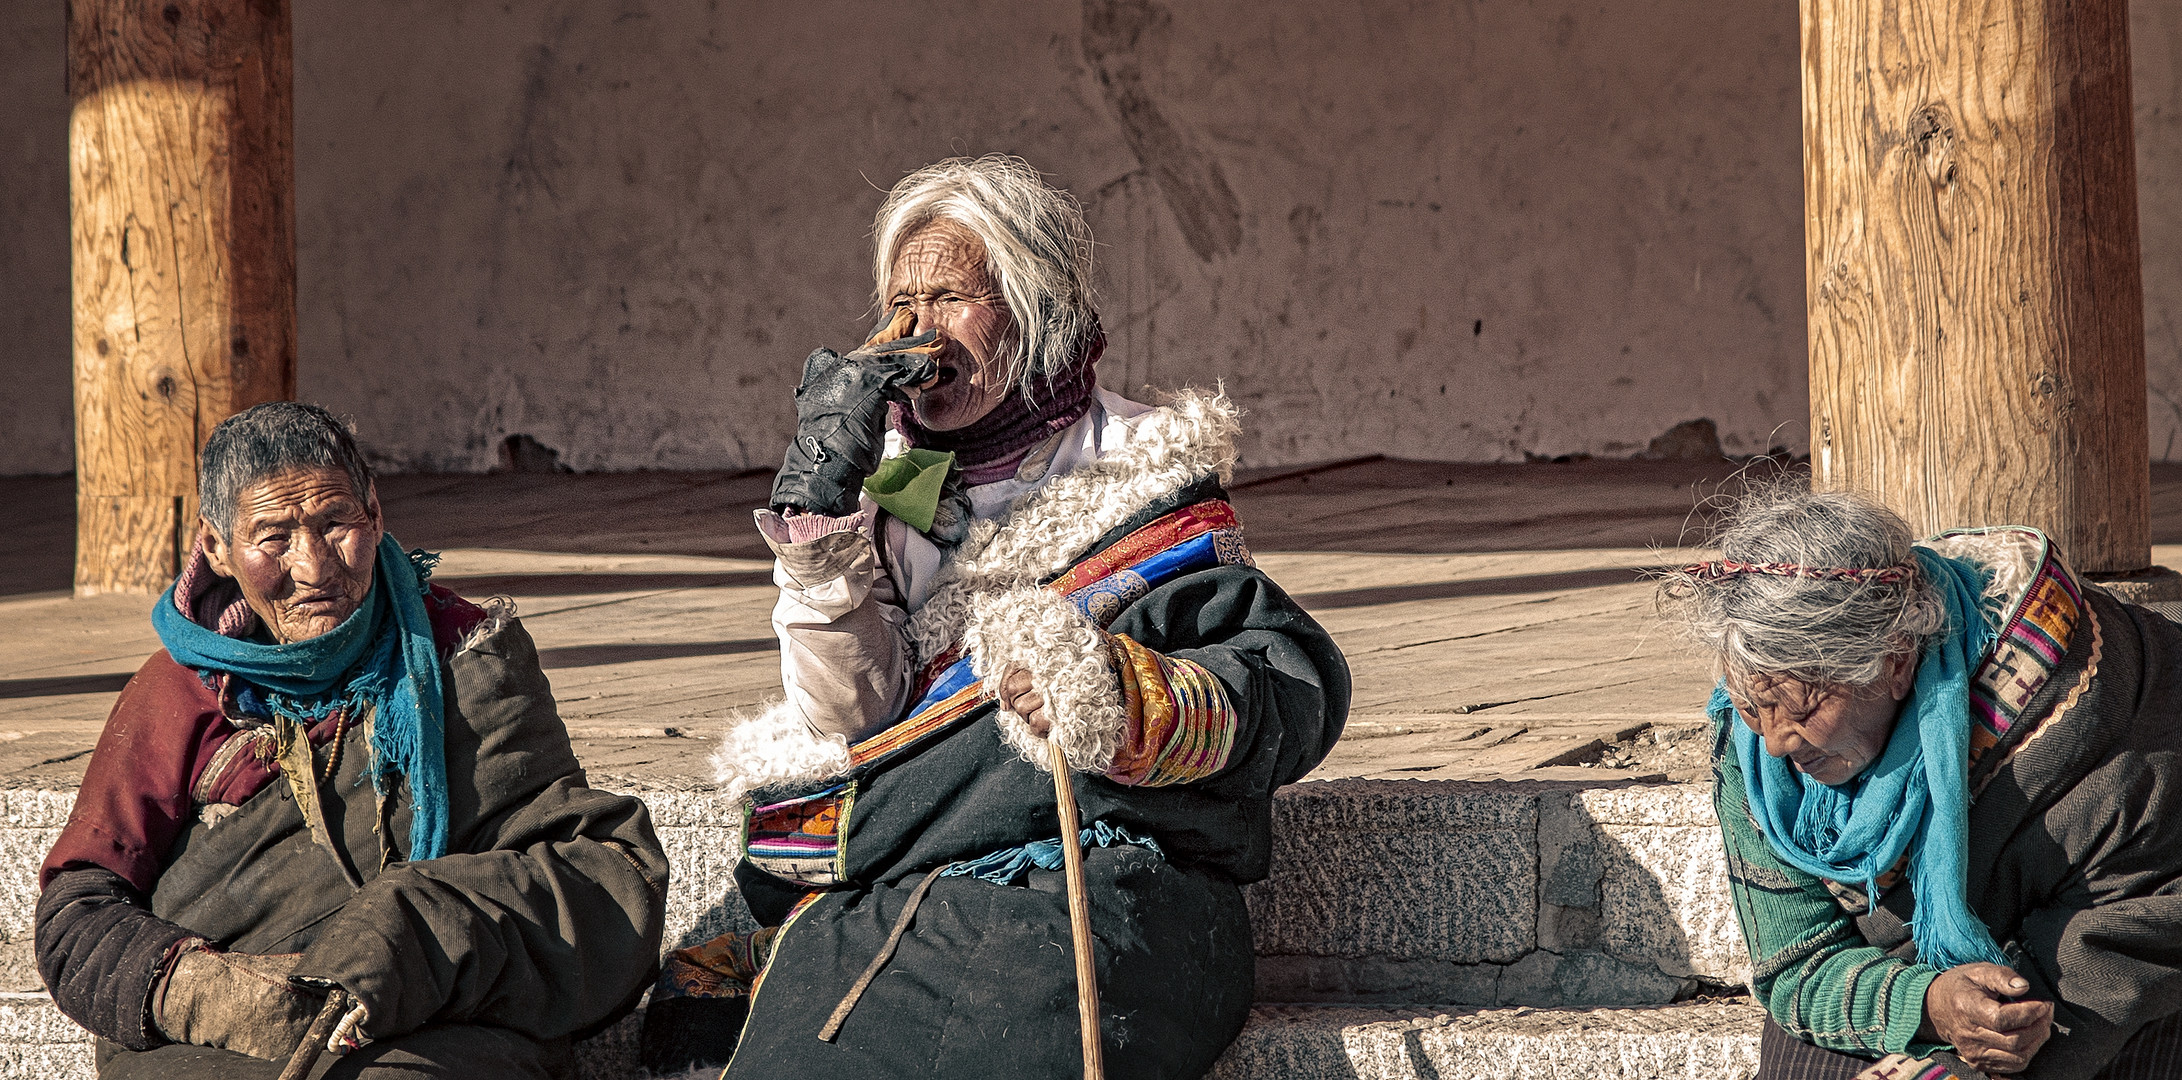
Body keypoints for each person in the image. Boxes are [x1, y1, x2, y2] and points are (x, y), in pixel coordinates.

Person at [642, 155, 1349, 1079]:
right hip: (894, 888)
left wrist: (1110, 692)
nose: (911, 333)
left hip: (1096, 884)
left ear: (1033, 311)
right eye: (898, 304)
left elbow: (1283, 682)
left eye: (946, 299)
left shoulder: (1138, 481)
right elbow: (849, 721)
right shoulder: (884, 486)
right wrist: (821, 545)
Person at [36, 402, 669, 1079]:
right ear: (217, 546)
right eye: (273, 537)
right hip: (217, 1047)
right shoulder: (181, 692)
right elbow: (78, 915)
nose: (313, 568)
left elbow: (603, 882)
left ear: (375, 513)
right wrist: (210, 994)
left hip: (437, 1028)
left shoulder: (463, 654)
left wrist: (421, 927)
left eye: (336, 524)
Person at [1656, 485, 2182, 1080]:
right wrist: (1929, 1005)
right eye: (1754, 708)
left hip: (2090, 1001)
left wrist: (1997, 1018)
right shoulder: (1752, 748)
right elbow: (1796, 964)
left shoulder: (2104, 697)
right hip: (1892, 992)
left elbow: (2149, 908)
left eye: (1803, 711)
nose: (1777, 742)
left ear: (1897, 662)